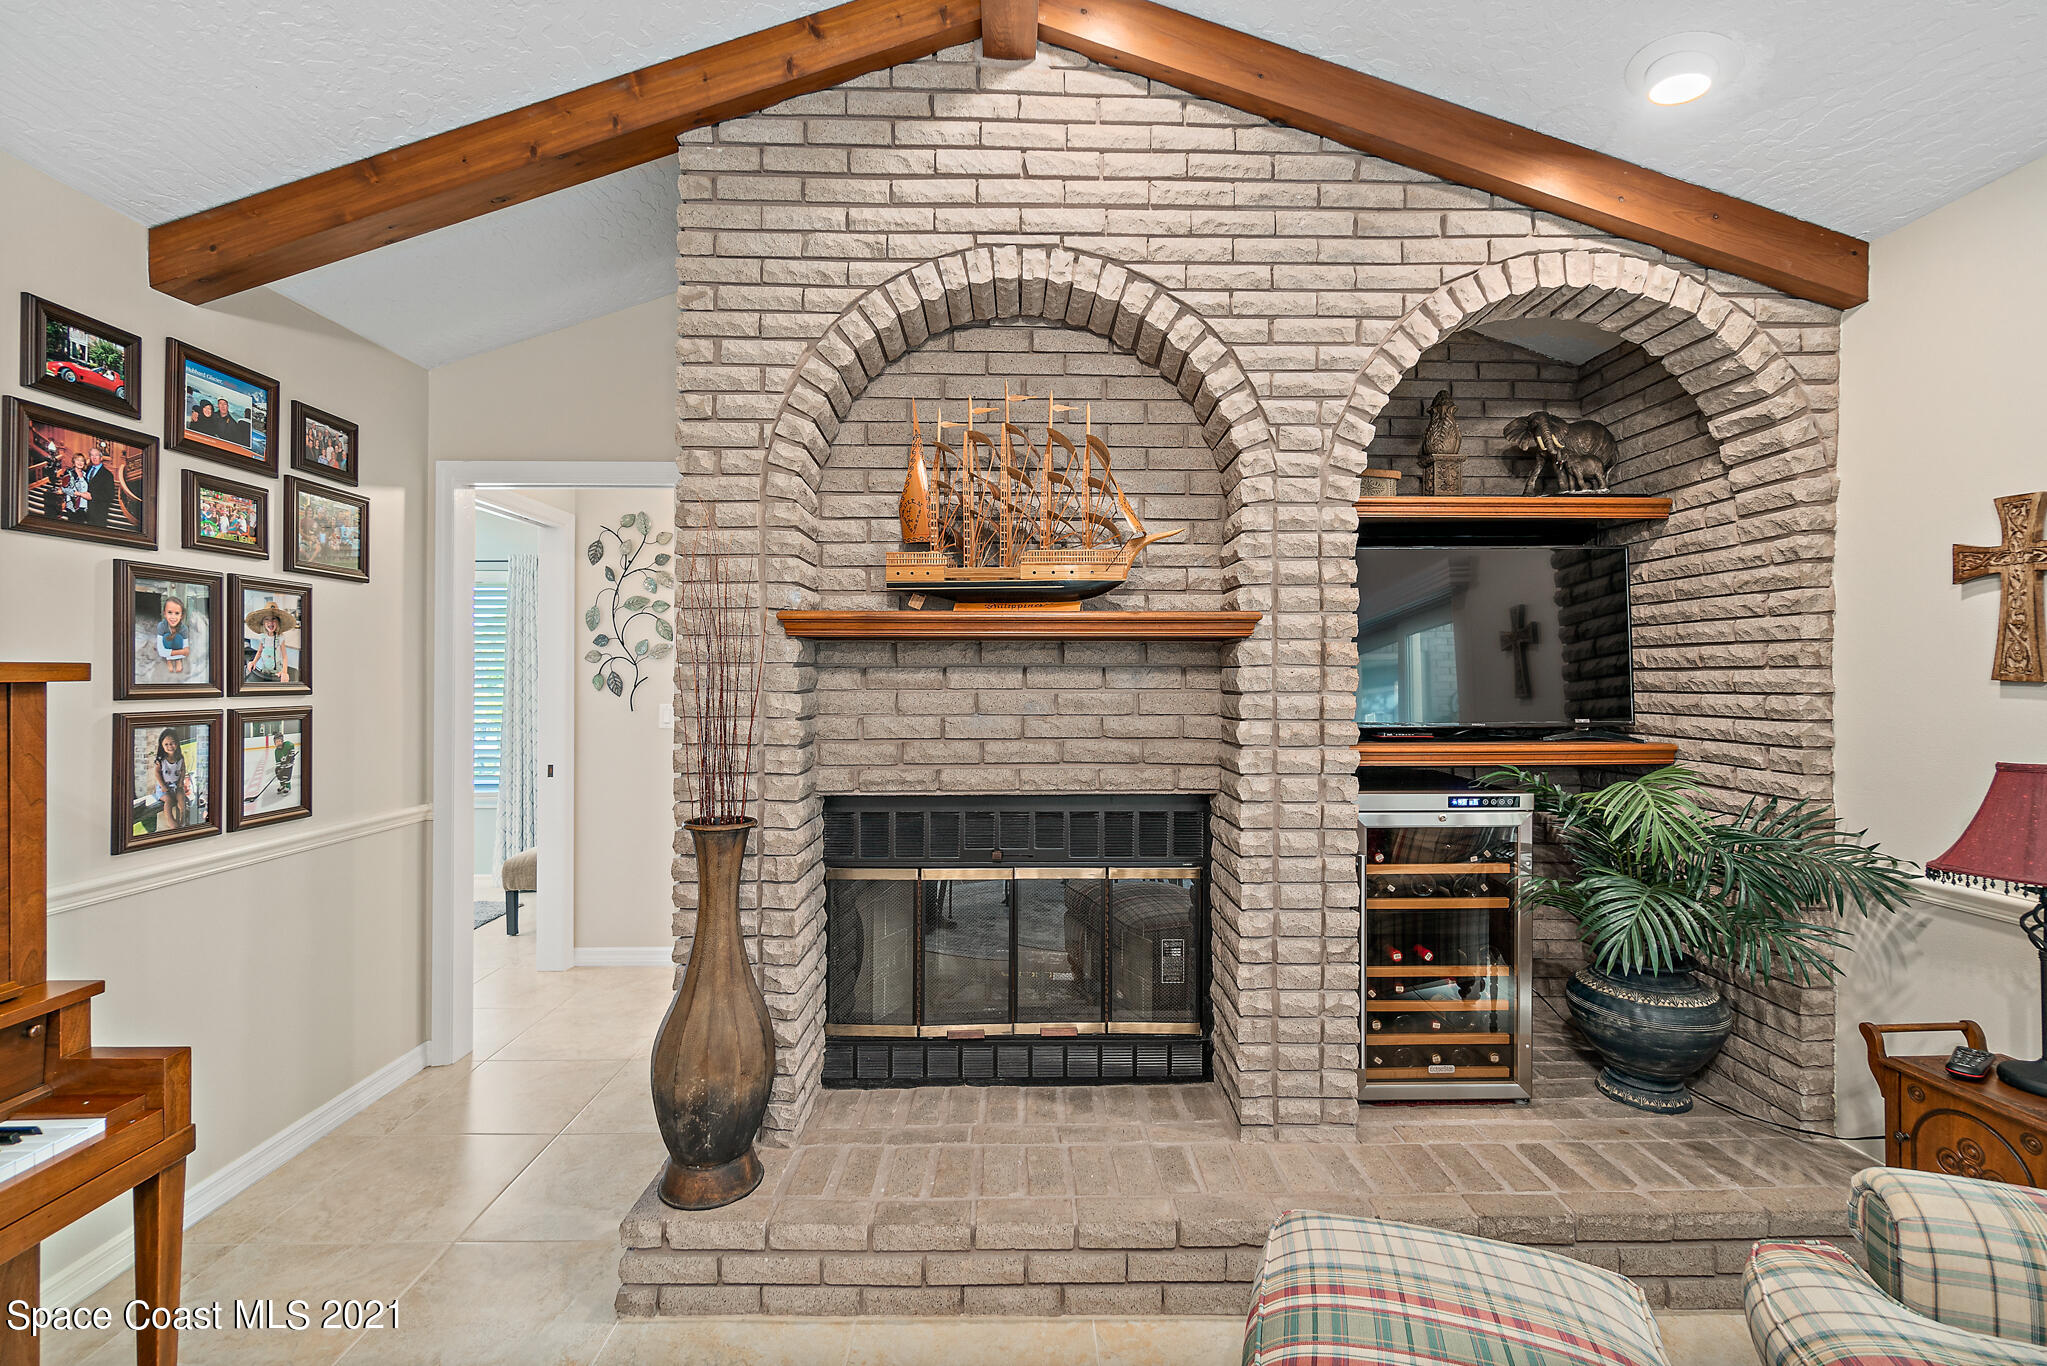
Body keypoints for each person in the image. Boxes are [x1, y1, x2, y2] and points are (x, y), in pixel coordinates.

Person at [243, 600, 297, 684]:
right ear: (263, 623)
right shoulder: (263, 637)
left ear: (278, 622)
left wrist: (284, 671)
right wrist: (254, 662)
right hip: (264, 669)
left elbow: (284, 656)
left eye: (273, 619)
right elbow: (260, 651)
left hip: (277, 670)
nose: (270, 622)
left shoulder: (280, 638)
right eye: (267, 619)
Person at [153, 728, 189, 829]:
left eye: (172, 743)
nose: (170, 746)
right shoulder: (161, 760)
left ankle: (183, 818)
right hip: (164, 788)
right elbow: (157, 773)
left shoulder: (180, 758)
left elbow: (182, 769)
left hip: (176, 785)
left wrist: (181, 781)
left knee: (182, 799)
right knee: (169, 801)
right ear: (162, 746)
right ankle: (171, 820)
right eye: (166, 744)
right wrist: (163, 785)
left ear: (177, 743)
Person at [82, 445, 116, 527]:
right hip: (83, 510)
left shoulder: (108, 475)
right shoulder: (86, 469)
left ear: (101, 458)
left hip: (98, 514)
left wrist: (92, 496)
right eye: (92, 455)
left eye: (96, 455)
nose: (94, 457)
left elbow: (110, 496)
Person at [156, 596, 190, 676]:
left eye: (177, 613)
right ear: (164, 613)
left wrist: (182, 653)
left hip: (176, 647)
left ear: (181, 615)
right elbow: (161, 651)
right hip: (168, 647)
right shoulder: (161, 626)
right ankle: (169, 660)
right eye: (170, 612)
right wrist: (181, 652)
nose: (173, 617)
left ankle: (178, 660)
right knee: (166, 636)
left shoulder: (184, 629)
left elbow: (186, 650)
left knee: (178, 638)